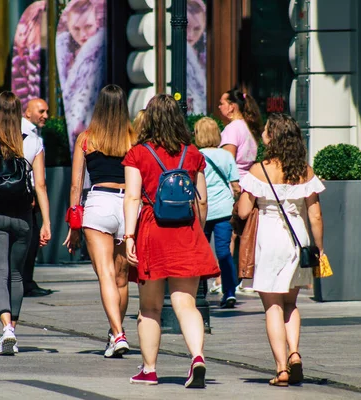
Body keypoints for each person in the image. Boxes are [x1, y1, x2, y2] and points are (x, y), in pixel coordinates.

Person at [123, 94, 220, 388]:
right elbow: (202, 202)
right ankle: (197, 357)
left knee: (150, 308)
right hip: (185, 231)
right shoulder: (192, 154)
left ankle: (149, 370)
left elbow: (133, 197)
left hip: (153, 230)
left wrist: (129, 236)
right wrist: (197, 232)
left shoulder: (138, 153)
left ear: (148, 118)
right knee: (186, 304)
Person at [237, 113, 324, 387]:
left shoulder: (258, 171)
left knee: (272, 306)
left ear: (273, 137)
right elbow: (315, 215)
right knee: (290, 304)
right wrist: (318, 249)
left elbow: (242, 212)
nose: (262, 133)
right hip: (298, 239)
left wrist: (243, 195)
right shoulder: (305, 171)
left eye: (265, 130)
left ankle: (281, 368)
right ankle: (295, 353)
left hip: (269, 237)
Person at [0, 91, 51, 355]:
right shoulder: (33, 143)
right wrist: (46, 222)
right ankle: (13, 330)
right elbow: (40, 185)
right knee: (17, 275)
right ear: (19, 114)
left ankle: (5, 327)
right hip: (23, 217)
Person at [63, 84, 136, 358]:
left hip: (99, 203)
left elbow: (75, 185)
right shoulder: (134, 138)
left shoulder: (87, 139)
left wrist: (74, 224)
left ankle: (117, 333)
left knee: (105, 273)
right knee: (122, 277)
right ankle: (115, 332)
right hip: (129, 205)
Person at [214, 89, 263, 295]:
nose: (219, 107)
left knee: (230, 235)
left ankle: (222, 281)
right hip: (249, 184)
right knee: (244, 232)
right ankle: (242, 277)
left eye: (222, 103)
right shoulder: (247, 127)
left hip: (235, 186)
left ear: (232, 107)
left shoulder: (233, 129)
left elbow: (227, 162)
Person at [194, 117, 241, 308]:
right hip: (223, 210)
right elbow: (236, 186)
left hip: (201, 211)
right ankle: (229, 291)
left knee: (200, 252)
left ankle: (200, 291)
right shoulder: (226, 156)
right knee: (224, 252)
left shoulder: (195, 156)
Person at [56, 0, 106, 153]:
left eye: (88, 27)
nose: (83, 35)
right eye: (76, 28)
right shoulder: (67, 52)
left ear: (96, 22)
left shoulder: (98, 52)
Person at [21, 98, 53, 297]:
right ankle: (25, 283)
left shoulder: (34, 134)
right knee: (29, 239)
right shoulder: (30, 137)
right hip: (28, 193)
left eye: (46, 111)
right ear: (27, 112)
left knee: (30, 240)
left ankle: (25, 281)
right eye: (41, 111)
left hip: (28, 193)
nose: (46, 116)